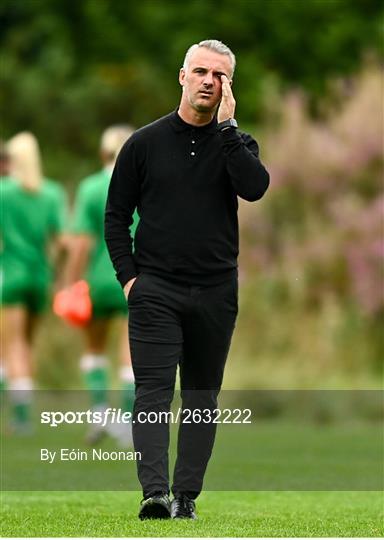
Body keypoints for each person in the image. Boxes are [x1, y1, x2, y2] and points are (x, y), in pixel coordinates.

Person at [105, 39, 270, 519]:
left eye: (218, 76)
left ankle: (186, 498)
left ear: (229, 87)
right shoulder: (143, 144)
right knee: (152, 393)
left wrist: (228, 129)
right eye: (200, 72)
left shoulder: (236, 143)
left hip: (217, 291)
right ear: (182, 76)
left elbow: (254, 188)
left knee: (201, 396)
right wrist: (130, 280)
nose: (208, 82)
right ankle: (154, 494)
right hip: (155, 288)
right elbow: (116, 218)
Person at [62, 126, 139, 445]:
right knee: (131, 354)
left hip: (96, 281)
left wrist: (70, 282)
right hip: (135, 278)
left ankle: (98, 413)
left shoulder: (91, 188)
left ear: (102, 152)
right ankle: (127, 422)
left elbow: (81, 244)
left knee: (94, 350)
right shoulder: (143, 183)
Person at [1, 132, 67, 432]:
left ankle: (21, 415)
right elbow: (63, 242)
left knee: (12, 344)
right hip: (41, 276)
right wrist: (58, 271)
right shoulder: (52, 193)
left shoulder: (3, 192)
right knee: (28, 343)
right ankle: (22, 404)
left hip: (12, 275)